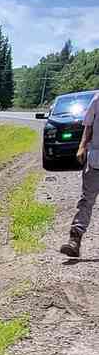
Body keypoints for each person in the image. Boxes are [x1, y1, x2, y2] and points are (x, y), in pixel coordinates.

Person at [60, 91, 99, 257]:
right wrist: (82, 146)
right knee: (86, 200)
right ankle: (74, 239)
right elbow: (88, 125)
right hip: (96, 159)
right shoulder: (98, 99)